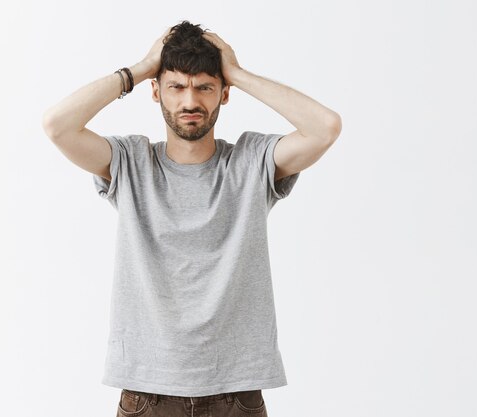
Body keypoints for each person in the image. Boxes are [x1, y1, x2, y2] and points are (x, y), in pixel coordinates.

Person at [42, 20, 341, 417]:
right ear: (156, 91)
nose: (189, 102)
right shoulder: (132, 162)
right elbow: (56, 126)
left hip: (236, 394)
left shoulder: (251, 162)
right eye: (176, 87)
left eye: (204, 86)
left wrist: (238, 72)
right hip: (147, 394)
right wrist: (141, 67)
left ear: (223, 94)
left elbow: (326, 127)